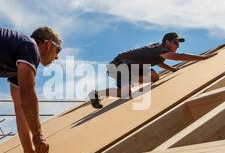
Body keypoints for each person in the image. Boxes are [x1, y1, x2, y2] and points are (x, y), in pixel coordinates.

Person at [89, 32, 217, 109]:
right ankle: (96, 94)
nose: (177, 46)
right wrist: (203, 58)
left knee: (154, 76)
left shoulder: (159, 50)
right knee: (124, 93)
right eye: (175, 43)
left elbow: (159, 62)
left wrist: (172, 69)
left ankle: (127, 83)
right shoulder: (161, 50)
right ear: (167, 42)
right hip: (118, 66)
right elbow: (179, 57)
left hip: (131, 67)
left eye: (179, 44)